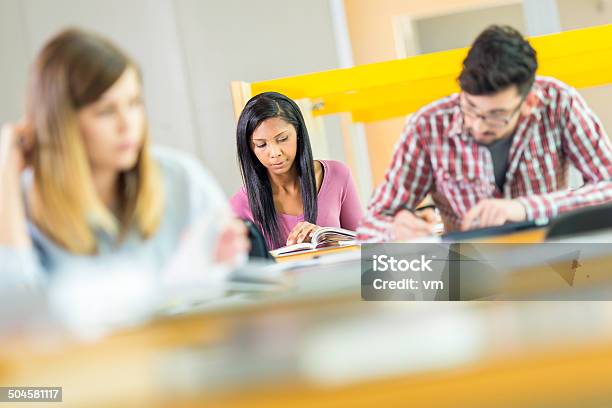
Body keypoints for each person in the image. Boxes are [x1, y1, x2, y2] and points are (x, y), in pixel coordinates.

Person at [0, 28, 248, 287]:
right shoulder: (21, 202)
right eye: (106, 111)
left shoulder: (183, 180)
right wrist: (6, 175)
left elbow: (236, 288)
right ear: (61, 124)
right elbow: (16, 311)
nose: (127, 124)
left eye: (134, 103)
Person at [357, 25, 612, 242]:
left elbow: (608, 186)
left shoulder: (558, 102)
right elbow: (370, 225)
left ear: (529, 102)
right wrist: (395, 229)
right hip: (470, 273)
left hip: (553, 260)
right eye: (470, 107)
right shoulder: (428, 126)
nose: (478, 125)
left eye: (496, 115)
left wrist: (524, 208)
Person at [230, 92, 363, 250]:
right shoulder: (240, 205)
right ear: (250, 148)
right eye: (261, 145)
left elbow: (373, 250)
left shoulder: (338, 175)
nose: (275, 153)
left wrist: (329, 237)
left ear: (298, 133)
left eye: (282, 139)